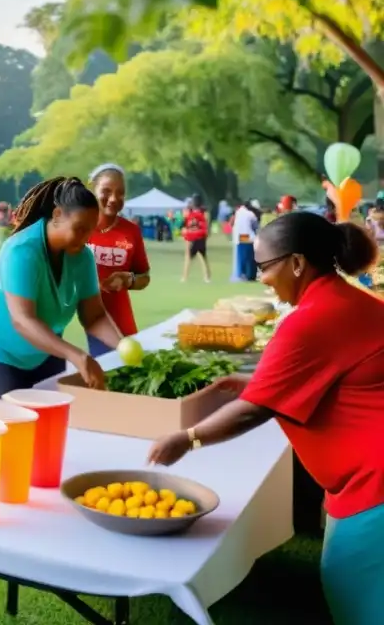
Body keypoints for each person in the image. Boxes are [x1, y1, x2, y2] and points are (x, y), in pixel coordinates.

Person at [148, 212, 382, 625]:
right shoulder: (345, 300)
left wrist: (188, 438)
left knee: (355, 594)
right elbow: (331, 373)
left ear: (296, 263)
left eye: (264, 266)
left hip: (374, 487)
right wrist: (259, 380)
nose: (260, 278)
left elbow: (255, 411)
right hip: (365, 482)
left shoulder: (311, 318)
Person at [0, 177, 117, 399]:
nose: (85, 239)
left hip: (45, 347)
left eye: (90, 231)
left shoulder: (82, 257)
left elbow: (94, 317)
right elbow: (23, 320)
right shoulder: (22, 251)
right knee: (11, 420)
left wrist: (124, 345)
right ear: (56, 215)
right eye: (79, 229)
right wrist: (77, 356)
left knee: (51, 415)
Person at [85, 165, 151, 356]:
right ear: (92, 190)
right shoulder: (77, 227)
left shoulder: (130, 231)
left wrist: (127, 279)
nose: (114, 199)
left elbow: (144, 277)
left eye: (120, 193)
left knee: (120, 369)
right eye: (106, 191)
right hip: (73, 310)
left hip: (115, 316)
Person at [182, 194, 212, 284]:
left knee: (190, 256)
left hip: (192, 234)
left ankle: (185, 277)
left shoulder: (194, 211)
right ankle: (207, 276)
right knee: (202, 256)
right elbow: (207, 224)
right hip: (196, 235)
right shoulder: (203, 212)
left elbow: (185, 221)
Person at [231, 200, 260, 281]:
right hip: (249, 237)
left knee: (242, 258)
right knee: (251, 257)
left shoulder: (238, 212)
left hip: (240, 238)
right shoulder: (251, 214)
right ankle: (251, 275)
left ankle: (242, 274)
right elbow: (255, 226)